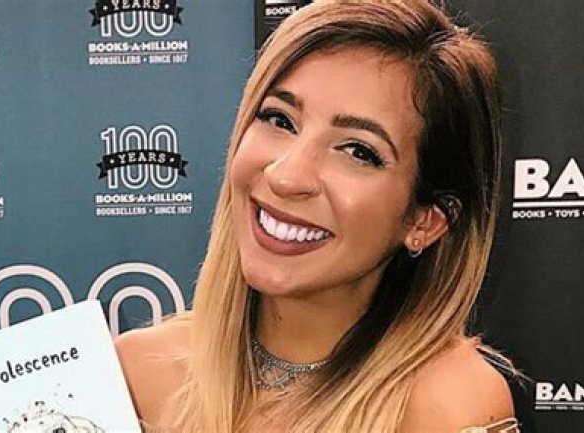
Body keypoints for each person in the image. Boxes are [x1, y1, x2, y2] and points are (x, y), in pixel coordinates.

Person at [115, 0, 519, 431]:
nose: (286, 176)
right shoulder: (132, 373)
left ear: (426, 220)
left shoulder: (452, 403)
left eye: (358, 151)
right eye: (279, 119)